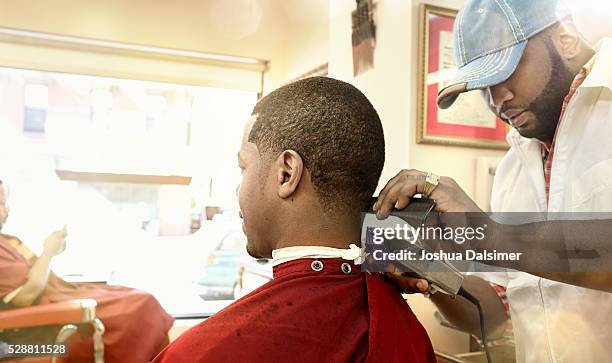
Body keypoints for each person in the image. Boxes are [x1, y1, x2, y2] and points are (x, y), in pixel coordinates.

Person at [374, 0, 612, 361]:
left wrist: (488, 233)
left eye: (506, 71)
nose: (497, 99)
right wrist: (431, 274)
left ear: (565, 38)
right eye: (482, 85)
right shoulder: (511, 170)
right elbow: (501, 311)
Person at [154, 77, 436, 362]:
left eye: (243, 168)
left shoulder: (198, 354)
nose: (238, 189)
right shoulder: (413, 338)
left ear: (287, 173)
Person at [0, 179, 174, 363]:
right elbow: (26, 296)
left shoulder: (8, 240)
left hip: (56, 302)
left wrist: (51, 250)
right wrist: (49, 251)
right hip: (28, 340)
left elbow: (38, 277)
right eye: (1, 204)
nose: (7, 210)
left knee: (139, 300)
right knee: (141, 307)